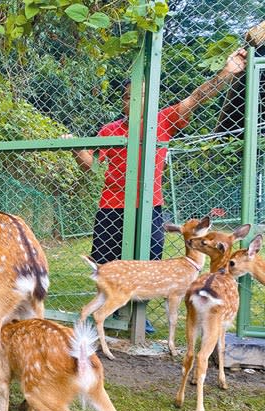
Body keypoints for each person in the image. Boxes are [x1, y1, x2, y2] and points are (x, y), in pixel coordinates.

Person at [68, 48, 247, 265]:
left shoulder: (162, 120)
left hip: (148, 205)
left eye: (139, 96)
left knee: (149, 265)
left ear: (150, 98)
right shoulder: (109, 130)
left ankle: (139, 301)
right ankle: (115, 299)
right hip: (111, 207)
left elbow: (197, 98)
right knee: (105, 268)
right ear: (123, 101)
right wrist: (75, 147)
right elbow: (90, 166)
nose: (132, 101)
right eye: (127, 97)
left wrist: (228, 71)